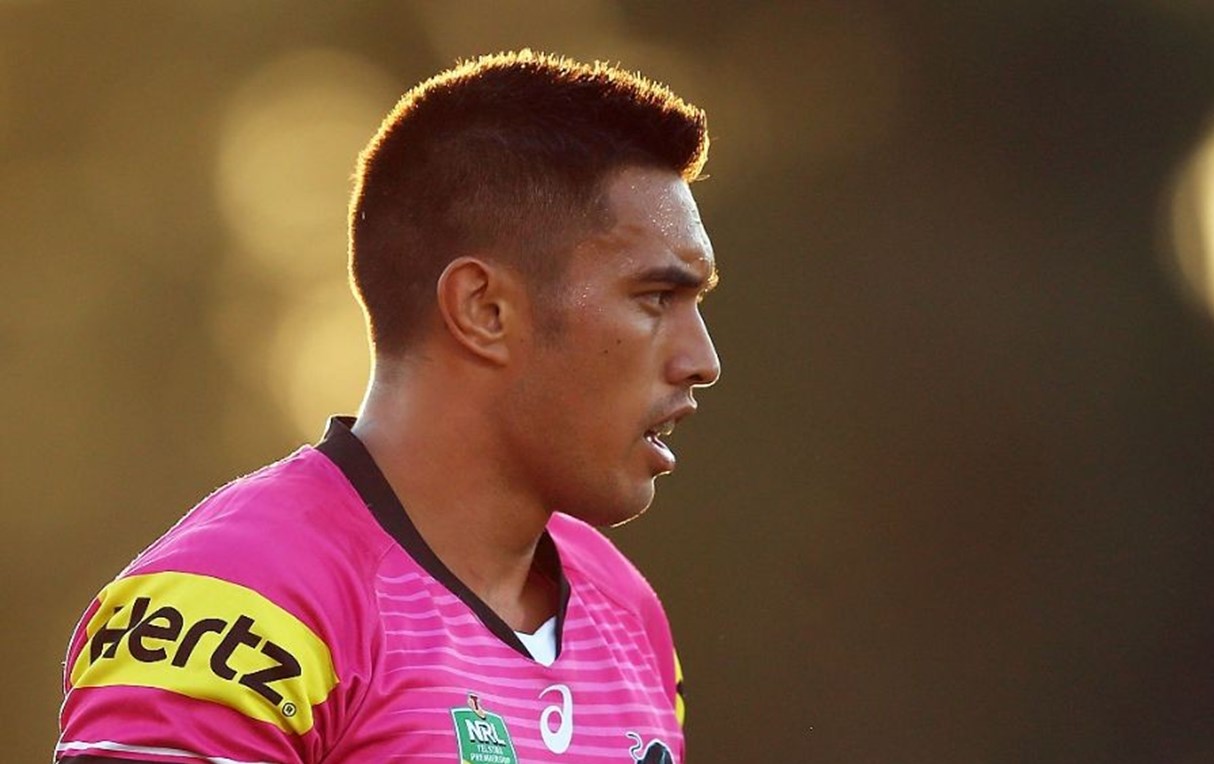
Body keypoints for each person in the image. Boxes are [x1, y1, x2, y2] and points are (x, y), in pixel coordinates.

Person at [55, 50, 719, 764]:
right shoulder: (233, 602)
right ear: (485, 309)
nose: (702, 360)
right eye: (657, 298)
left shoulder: (628, 616)